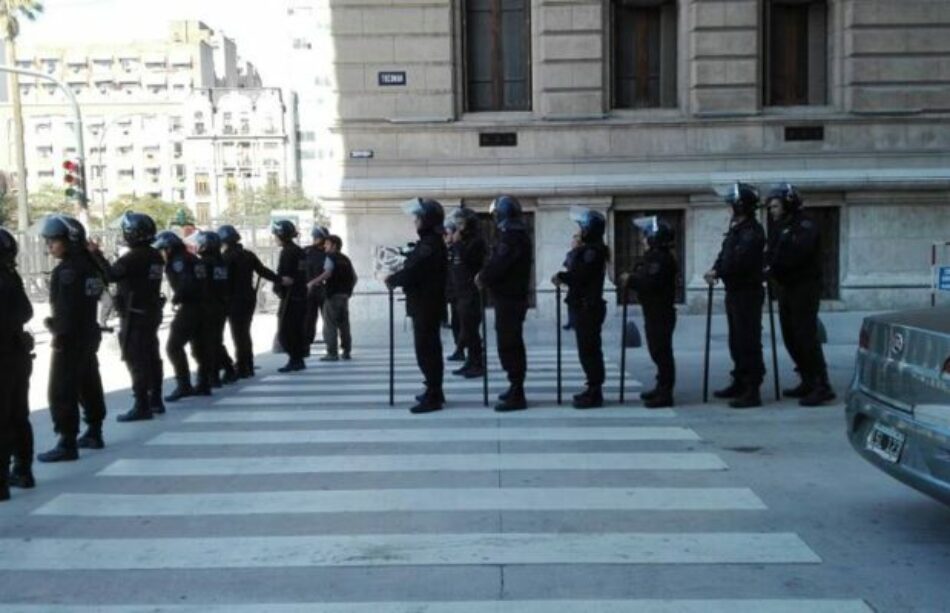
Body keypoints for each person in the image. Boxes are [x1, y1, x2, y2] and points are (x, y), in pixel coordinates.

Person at [37, 215, 106, 462]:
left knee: (61, 390)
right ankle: (94, 431)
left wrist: (58, 333)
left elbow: (65, 308)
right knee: (88, 382)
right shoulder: (90, 265)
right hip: (89, 332)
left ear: (70, 240)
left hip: (71, 337)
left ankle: (67, 442)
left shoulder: (66, 271)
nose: (50, 246)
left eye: (54, 241)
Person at [88, 211, 165, 422]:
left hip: (135, 315)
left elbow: (110, 275)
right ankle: (156, 398)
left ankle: (142, 404)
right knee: (151, 356)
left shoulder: (133, 257)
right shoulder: (155, 255)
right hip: (150, 312)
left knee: (136, 359)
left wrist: (96, 254)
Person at [765, 183, 836, 407]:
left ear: (788, 203)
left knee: (806, 337)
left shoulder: (805, 224)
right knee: (790, 337)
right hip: (786, 287)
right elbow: (772, 252)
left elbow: (797, 254)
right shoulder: (780, 225)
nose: (771, 210)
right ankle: (807, 379)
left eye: (775, 206)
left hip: (804, 288)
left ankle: (822, 385)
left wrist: (772, 268)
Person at [704, 182, 767, 409]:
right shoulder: (737, 229)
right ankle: (739, 380)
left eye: (732, 204)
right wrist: (715, 268)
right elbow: (725, 254)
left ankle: (752, 388)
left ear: (741, 206)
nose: (729, 208)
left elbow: (740, 261)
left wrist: (719, 271)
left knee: (748, 340)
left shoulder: (752, 231)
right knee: (736, 340)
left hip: (747, 292)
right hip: (735, 291)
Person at [385, 198, 448, 414]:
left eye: (418, 218)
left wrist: (392, 279)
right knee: (429, 348)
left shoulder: (430, 244)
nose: (415, 222)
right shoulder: (430, 242)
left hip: (426, 304)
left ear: (427, 220)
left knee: (427, 350)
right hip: (425, 303)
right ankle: (434, 390)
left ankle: (433, 395)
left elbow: (414, 271)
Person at [477, 195, 533, 412]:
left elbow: (499, 265)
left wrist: (483, 277)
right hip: (510, 298)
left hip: (510, 299)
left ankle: (517, 392)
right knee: (509, 343)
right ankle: (514, 386)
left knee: (509, 345)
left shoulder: (512, 238)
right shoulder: (516, 236)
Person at [553, 208, 608, 409]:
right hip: (583, 306)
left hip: (588, 307)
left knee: (590, 351)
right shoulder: (589, 249)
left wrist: (562, 277)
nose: (580, 231)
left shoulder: (592, 251)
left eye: (582, 228)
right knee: (587, 351)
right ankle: (592, 387)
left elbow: (580, 275)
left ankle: (595, 391)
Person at [623, 217, 678, 409]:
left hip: (660, 311)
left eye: (646, 236)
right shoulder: (653, 256)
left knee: (661, 351)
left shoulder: (661, 259)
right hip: (653, 309)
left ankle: (665, 392)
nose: (643, 239)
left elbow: (651, 283)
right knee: (657, 350)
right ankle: (660, 386)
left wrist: (631, 280)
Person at [154, 230, 210, 401]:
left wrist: (177, 299)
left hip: (189, 306)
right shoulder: (193, 258)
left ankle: (184, 384)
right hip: (203, 306)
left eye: (162, 250)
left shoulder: (178, 261)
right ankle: (204, 383)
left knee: (173, 347)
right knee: (199, 346)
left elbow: (187, 282)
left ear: (168, 249)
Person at [0, 228, 35, 499]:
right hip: (17, 355)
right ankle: (23, 470)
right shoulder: (11, 277)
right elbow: (26, 311)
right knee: (18, 416)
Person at [218, 224, 278, 379]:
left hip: (233, 300)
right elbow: (263, 271)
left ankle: (243, 366)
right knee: (244, 333)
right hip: (249, 299)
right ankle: (248, 365)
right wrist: (279, 279)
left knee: (238, 334)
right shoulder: (248, 255)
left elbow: (222, 282)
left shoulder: (225, 258)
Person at [448, 207, 487, 379]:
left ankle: (477, 364)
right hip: (460, 291)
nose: (458, 227)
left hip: (471, 292)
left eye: (461, 223)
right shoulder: (462, 240)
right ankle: (470, 362)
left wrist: (456, 243)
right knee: (466, 329)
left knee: (471, 330)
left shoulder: (475, 241)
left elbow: (469, 259)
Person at [194, 231, 232, 387]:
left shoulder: (203, 263)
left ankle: (214, 374)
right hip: (221, 304)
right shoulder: (221, 262)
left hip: (207, 305)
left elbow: (200, 284)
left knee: (208, 342)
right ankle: (224, 370)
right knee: (216, 340)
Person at [309, 235, 357, 361]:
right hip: (344, 296)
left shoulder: (330, 257)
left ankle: (332, 353)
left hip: (332, 295)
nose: (325, 246)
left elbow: (327, 273)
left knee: (330, 325)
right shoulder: (346, 259)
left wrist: (312, 282)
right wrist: (348, 291)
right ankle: (346, 351)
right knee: (344, 325)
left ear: (334, 245)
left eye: (327, 244)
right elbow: (354, 277)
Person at [272, 219, 309, 373]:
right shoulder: (299, 251)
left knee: (286, 330)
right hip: (300, 294)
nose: (274, 237)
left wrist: (278, 287)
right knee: (296, 329)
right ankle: (297, 359)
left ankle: (295, 359)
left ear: (281, 235)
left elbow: (286, 276)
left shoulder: (288, 252)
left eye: (275, 234)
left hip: (290, 296)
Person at [304, 226, 330, 351]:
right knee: (309, 318)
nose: (317, 240)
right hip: (309, 289)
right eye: (316, 238)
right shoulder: (306, 251)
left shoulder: (328, 253)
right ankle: (306, 344)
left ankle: (330, 343)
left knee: (328, 318)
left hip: (323, 288)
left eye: (319, 238)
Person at [443, 219, 465, 362]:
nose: (445, 236)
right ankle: (459, 350)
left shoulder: (458, 248)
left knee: (463, 324)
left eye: (448, 233)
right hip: (452, 292)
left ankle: (465, 351)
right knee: (457, 324)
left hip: (460, 292)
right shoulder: (449, 249)